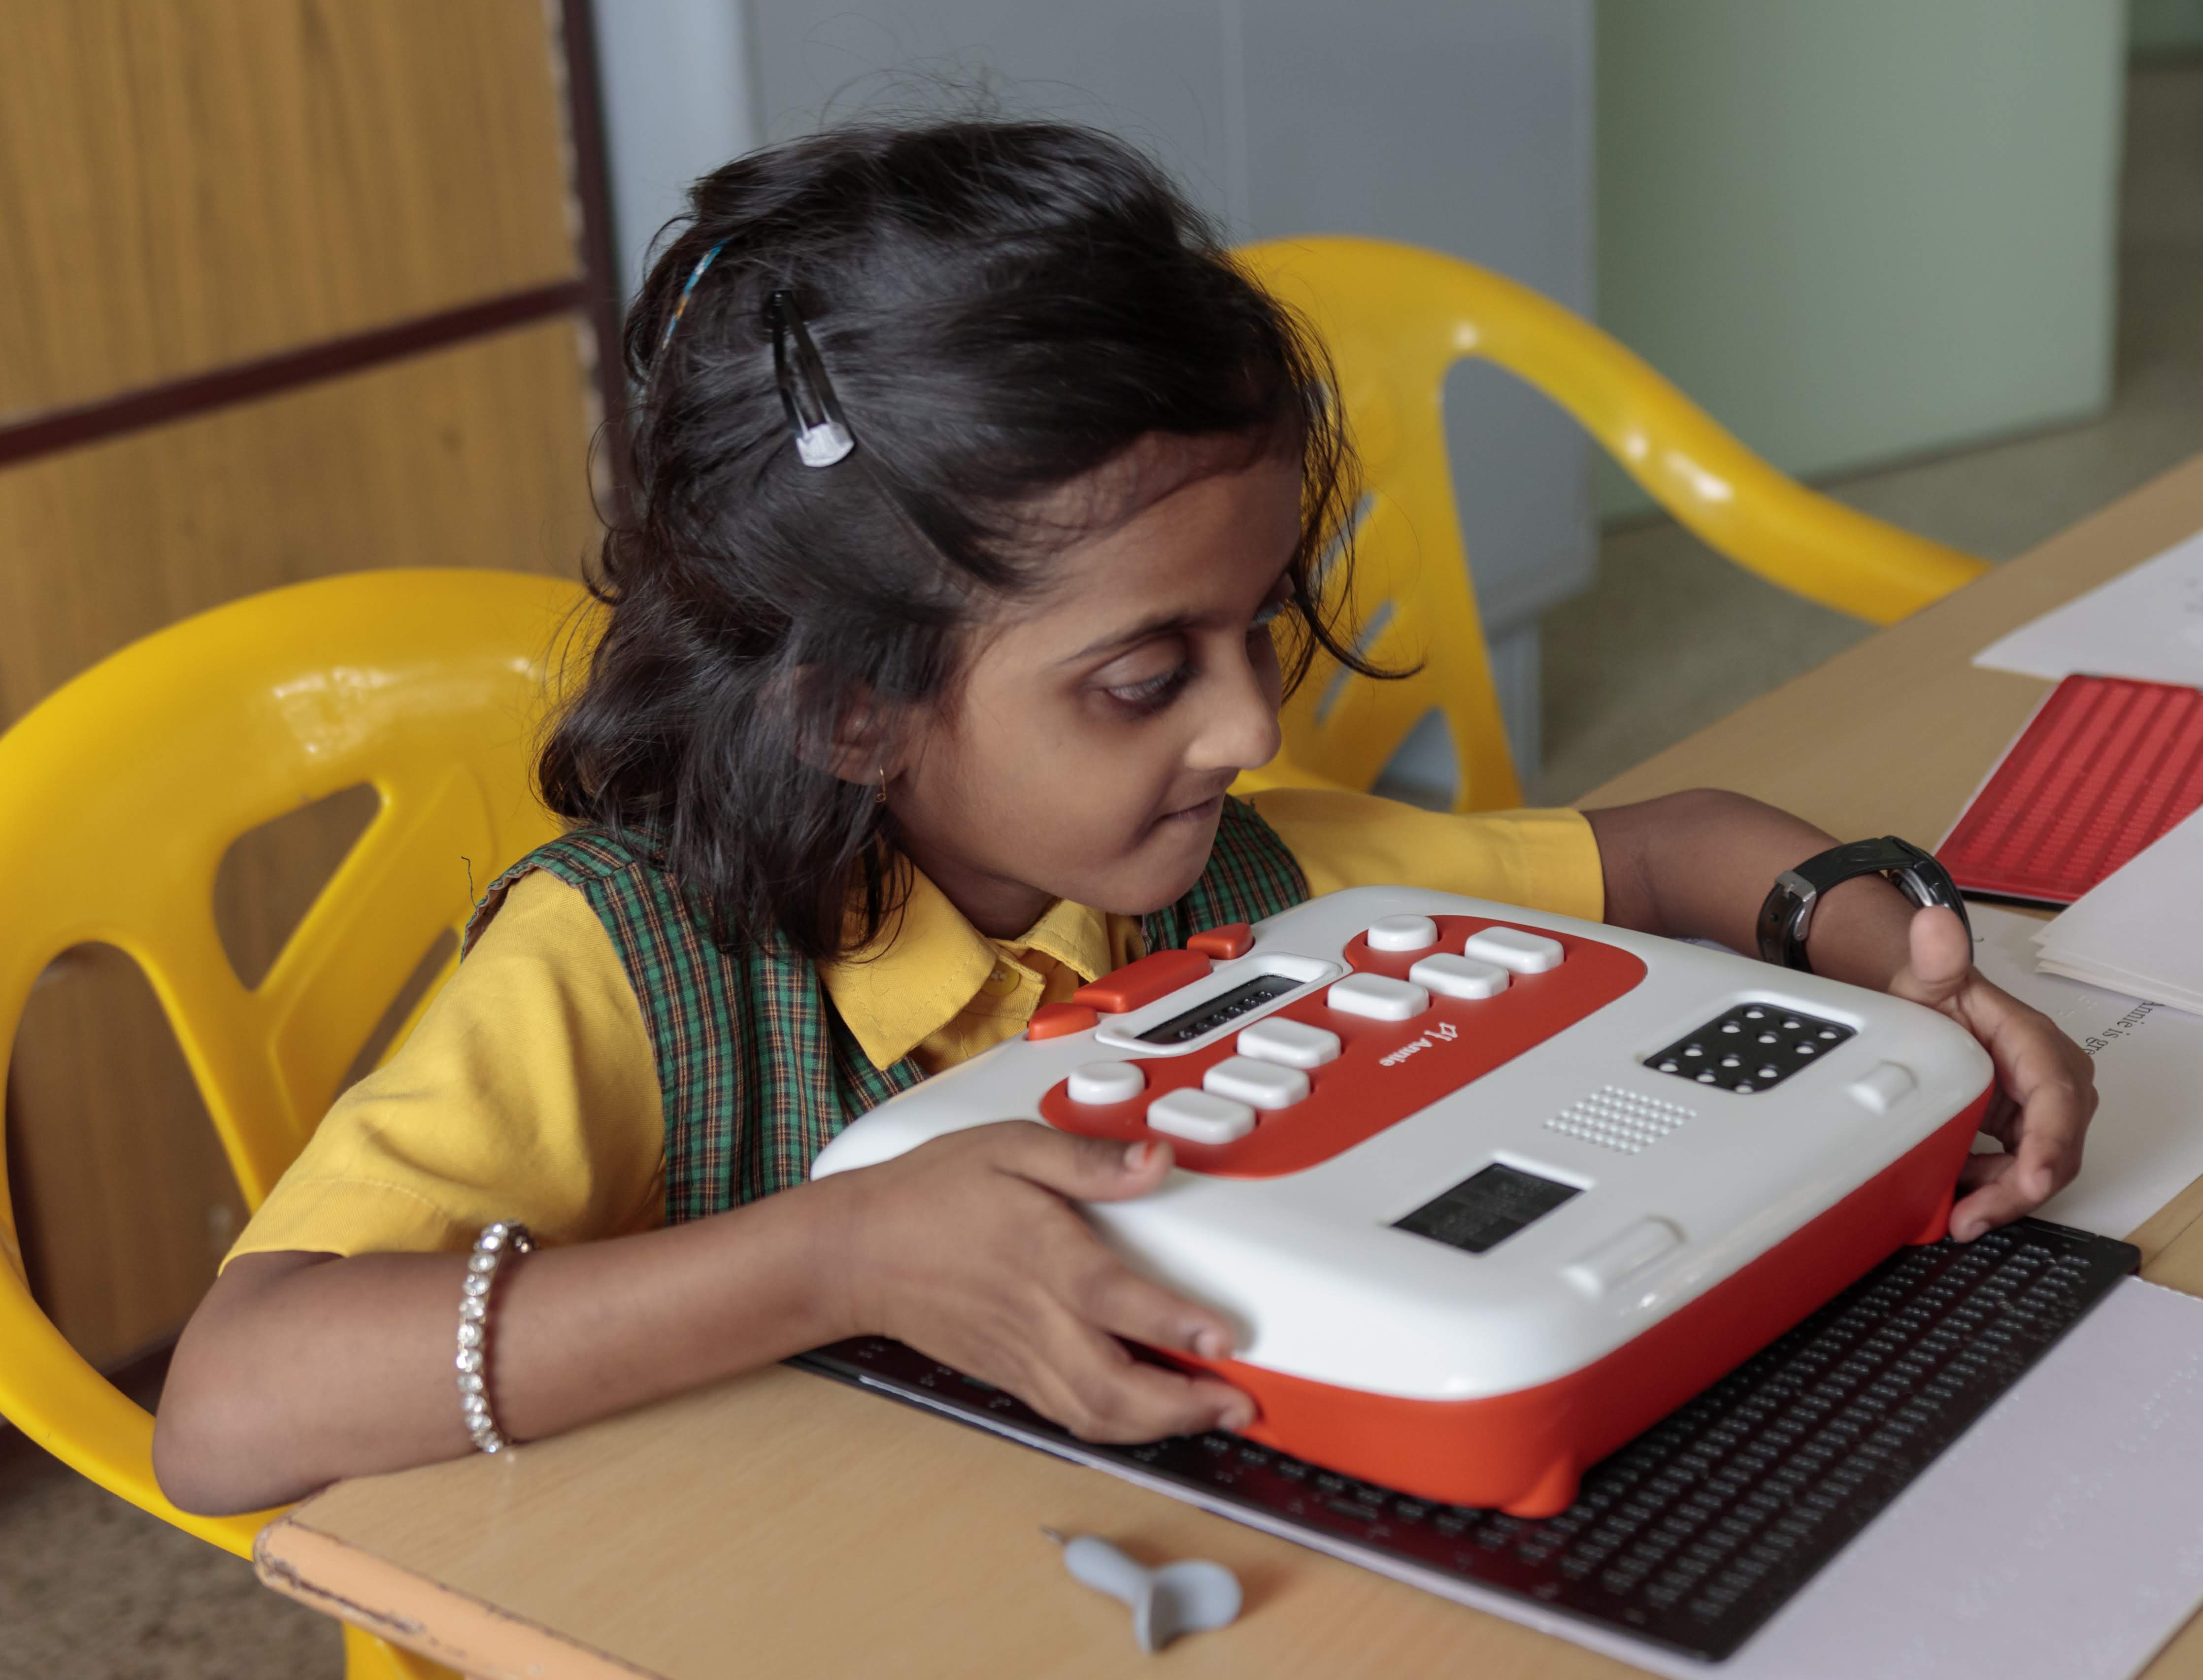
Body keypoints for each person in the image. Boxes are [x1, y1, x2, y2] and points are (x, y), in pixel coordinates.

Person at [152, 119, 2095, 1517]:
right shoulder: (616, 968)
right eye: (1144, 675)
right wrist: (830, 1261)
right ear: (846, 707)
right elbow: (227, 1410)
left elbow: (1677, 850)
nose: (1253, 724)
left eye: (1256, 628)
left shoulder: (1244, 887)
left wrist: (1889, 947)